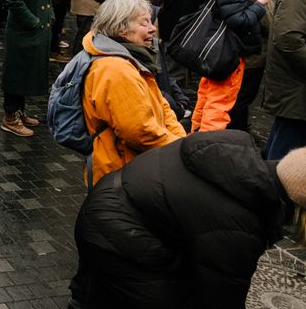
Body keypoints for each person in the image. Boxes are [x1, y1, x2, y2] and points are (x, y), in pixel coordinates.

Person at [72, 130, 303, 309]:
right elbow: (221, 296)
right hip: (116, 229)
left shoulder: (240, 162)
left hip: (113, 203)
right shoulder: (242, 223)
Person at [80, 0, 186, 187]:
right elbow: (139, 131)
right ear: (122, 29)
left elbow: (163, 108)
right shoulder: (115, 69)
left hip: (137, 167)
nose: (152, 29)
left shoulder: (131, 60)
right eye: (144, 22)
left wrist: (179, 139)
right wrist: (179, 149)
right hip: (120, 174)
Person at [190, 0, 270, 132]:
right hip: (227, 53)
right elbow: (240, 22)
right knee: (220, 102)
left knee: (206, 97)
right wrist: (259, 5)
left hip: (214, 49)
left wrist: (245, 3)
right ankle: (206, 145)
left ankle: (195, 134)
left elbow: (226, 9)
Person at [0, 0, 53, 137]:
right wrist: (33, 21)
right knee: (17, 73)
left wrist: (50, 18)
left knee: (25, 72)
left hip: (37, 28)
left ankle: (19, 111)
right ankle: (10, 117)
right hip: (24, 31)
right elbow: (12, 0)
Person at [261, 0, 306, 159]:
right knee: (288, 142)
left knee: (286, 134)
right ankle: (272, 188)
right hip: (296, 84)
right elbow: (289, 40)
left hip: (295, 84)